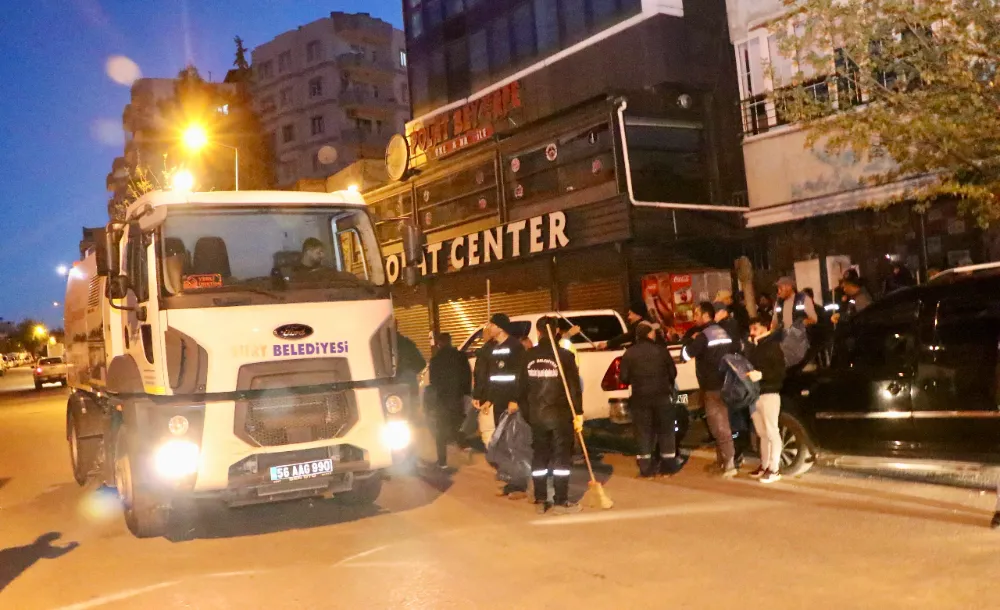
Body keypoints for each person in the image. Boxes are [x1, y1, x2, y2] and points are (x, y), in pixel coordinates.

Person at [519, 317, 584, 515]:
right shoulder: (565, 356)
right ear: (556, 331)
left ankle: (540, 499)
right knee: (561, 458)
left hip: (537, 415)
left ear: (538, 332)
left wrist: (529, 414)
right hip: (559, 415)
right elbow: (574, 388)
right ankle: (560, 501)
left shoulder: (527, 356)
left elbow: (521, 390)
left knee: (540, 456)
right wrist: (578, 413)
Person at [473, 313, 529, 499]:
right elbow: (494, 377)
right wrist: (488, 399)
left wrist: (515, 399)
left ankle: (519, 485)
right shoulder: (494, 348)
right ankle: (509, 481)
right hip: (499, 403)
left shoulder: (515, 347)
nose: (489, 327)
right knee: (503, 444)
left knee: (514, 444)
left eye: (492, 324)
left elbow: (520, 376)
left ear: (500, 327)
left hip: (511, 404)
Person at [682, 302, 739, 477]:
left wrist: (689, 340)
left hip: (712, 387)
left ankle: (729, 464)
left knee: (719, 426)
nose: (694, 318)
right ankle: (722, 462)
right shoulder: (723, 332)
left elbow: (686, 355)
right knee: (720, 424)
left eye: (697, 314)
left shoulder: (703, 336)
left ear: (706, 315)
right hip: (726, 383)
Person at [620, 321, 680, 477]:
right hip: (662, 397)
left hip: (640, 399)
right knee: (666, 430)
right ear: (649, 334)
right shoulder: (661, 351)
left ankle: (646, 468)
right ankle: (668, 466)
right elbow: (673, 373)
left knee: (643, 431)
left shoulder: (629, 353)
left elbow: (623, 378)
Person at [745, 316, 787, 484]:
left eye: (755, 328)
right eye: (751, 329)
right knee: (762, 433)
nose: (752, 332)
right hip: (756, 394)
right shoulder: (755, 346)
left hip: (770, 393)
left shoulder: (773, 346)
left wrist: (762, 375)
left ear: (765, 327)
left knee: (771, 432)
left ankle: (774, 469)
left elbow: (780, 372)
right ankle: (764, 465)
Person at [427, 333, 472, 469]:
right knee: (458, 424)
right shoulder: (461, 357)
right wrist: (465, 392)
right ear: (451, 341)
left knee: (440, 430)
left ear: (439, 344)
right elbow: (467, 375)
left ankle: (442, 462)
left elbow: (433, 382)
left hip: (442, 400)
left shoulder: (435, 360)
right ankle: (465, 447)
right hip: (457, 397)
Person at [771, 276, 818, 370]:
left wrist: (802, 324)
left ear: (789, 287)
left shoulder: (803, 299)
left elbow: (813, 319)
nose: (778, 291)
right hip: (784, 340)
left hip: (800, 340)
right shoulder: (779, 302)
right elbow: (774, 321)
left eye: (780, 288)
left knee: (804, 368)